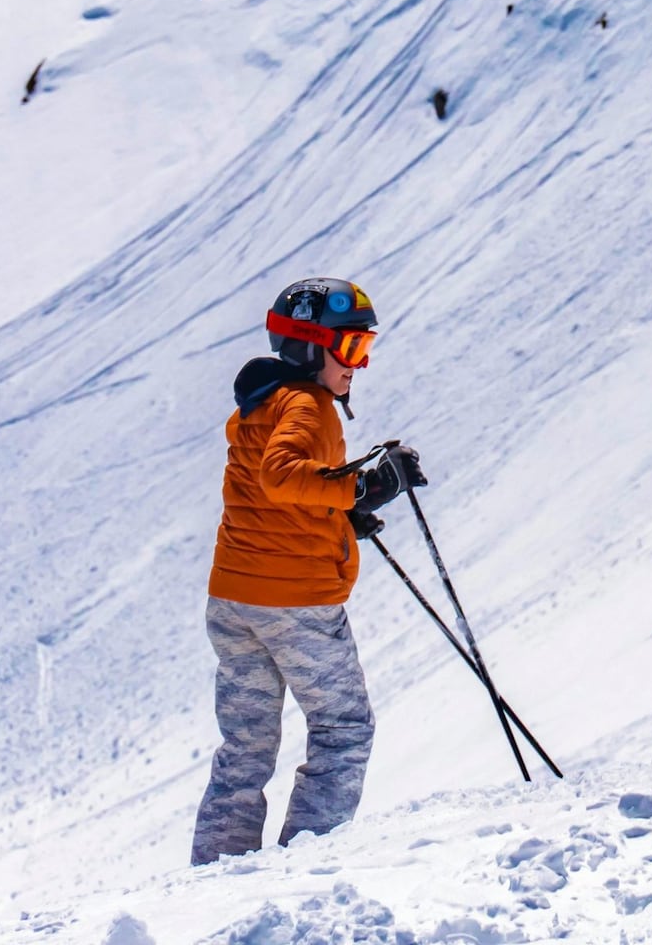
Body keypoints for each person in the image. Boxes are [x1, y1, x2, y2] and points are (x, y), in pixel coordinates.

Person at [191, 278, 427, 864]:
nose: (358, 365)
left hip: (234, 597)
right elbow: (281, 475)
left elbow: (268, 497)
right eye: (348, 349)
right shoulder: (305, 403)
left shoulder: (261, 403)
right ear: (306, 346)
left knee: (245, 748)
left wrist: (340, 517)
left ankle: (213, 879)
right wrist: (363, 486)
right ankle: (301, 872)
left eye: (363, 350)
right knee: (343, 731)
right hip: (295, 604)